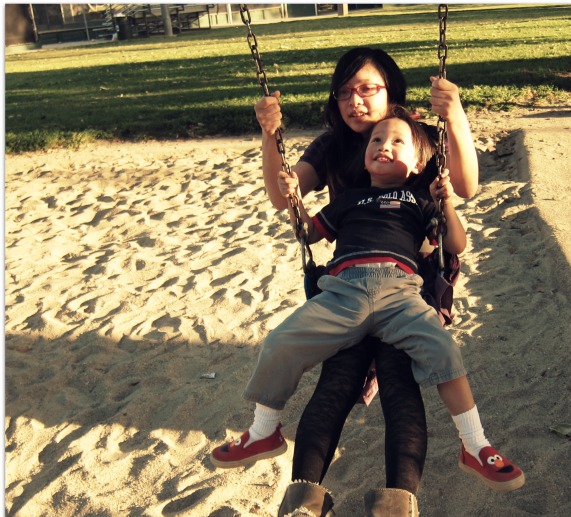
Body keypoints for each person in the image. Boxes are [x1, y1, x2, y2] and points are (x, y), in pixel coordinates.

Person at [211, 48, 523, 492]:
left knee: (403, 381)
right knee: (334, 380)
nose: (354, 101)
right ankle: (294, 488)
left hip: (410, 285)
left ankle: (440, 473)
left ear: (391, 92)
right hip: (346, 285)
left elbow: (466, 188)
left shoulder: (417, 137)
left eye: (366, 89)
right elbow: (287, 201)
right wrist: (270, 136)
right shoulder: (334, 148)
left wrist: (454, 115)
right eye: (343, 92)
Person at [247, 108, 508, 517]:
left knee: (428, 366)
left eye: (396, 142)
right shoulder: (348, 197)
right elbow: (308, 232)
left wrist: (446, 203)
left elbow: (456, 244)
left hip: (401, 292)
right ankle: (288, 487)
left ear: (418, 162)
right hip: (344, 291)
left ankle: (472, 448)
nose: (383, 146)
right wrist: (294, 201)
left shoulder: (419, 198)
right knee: (305, 363)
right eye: (375, 141)